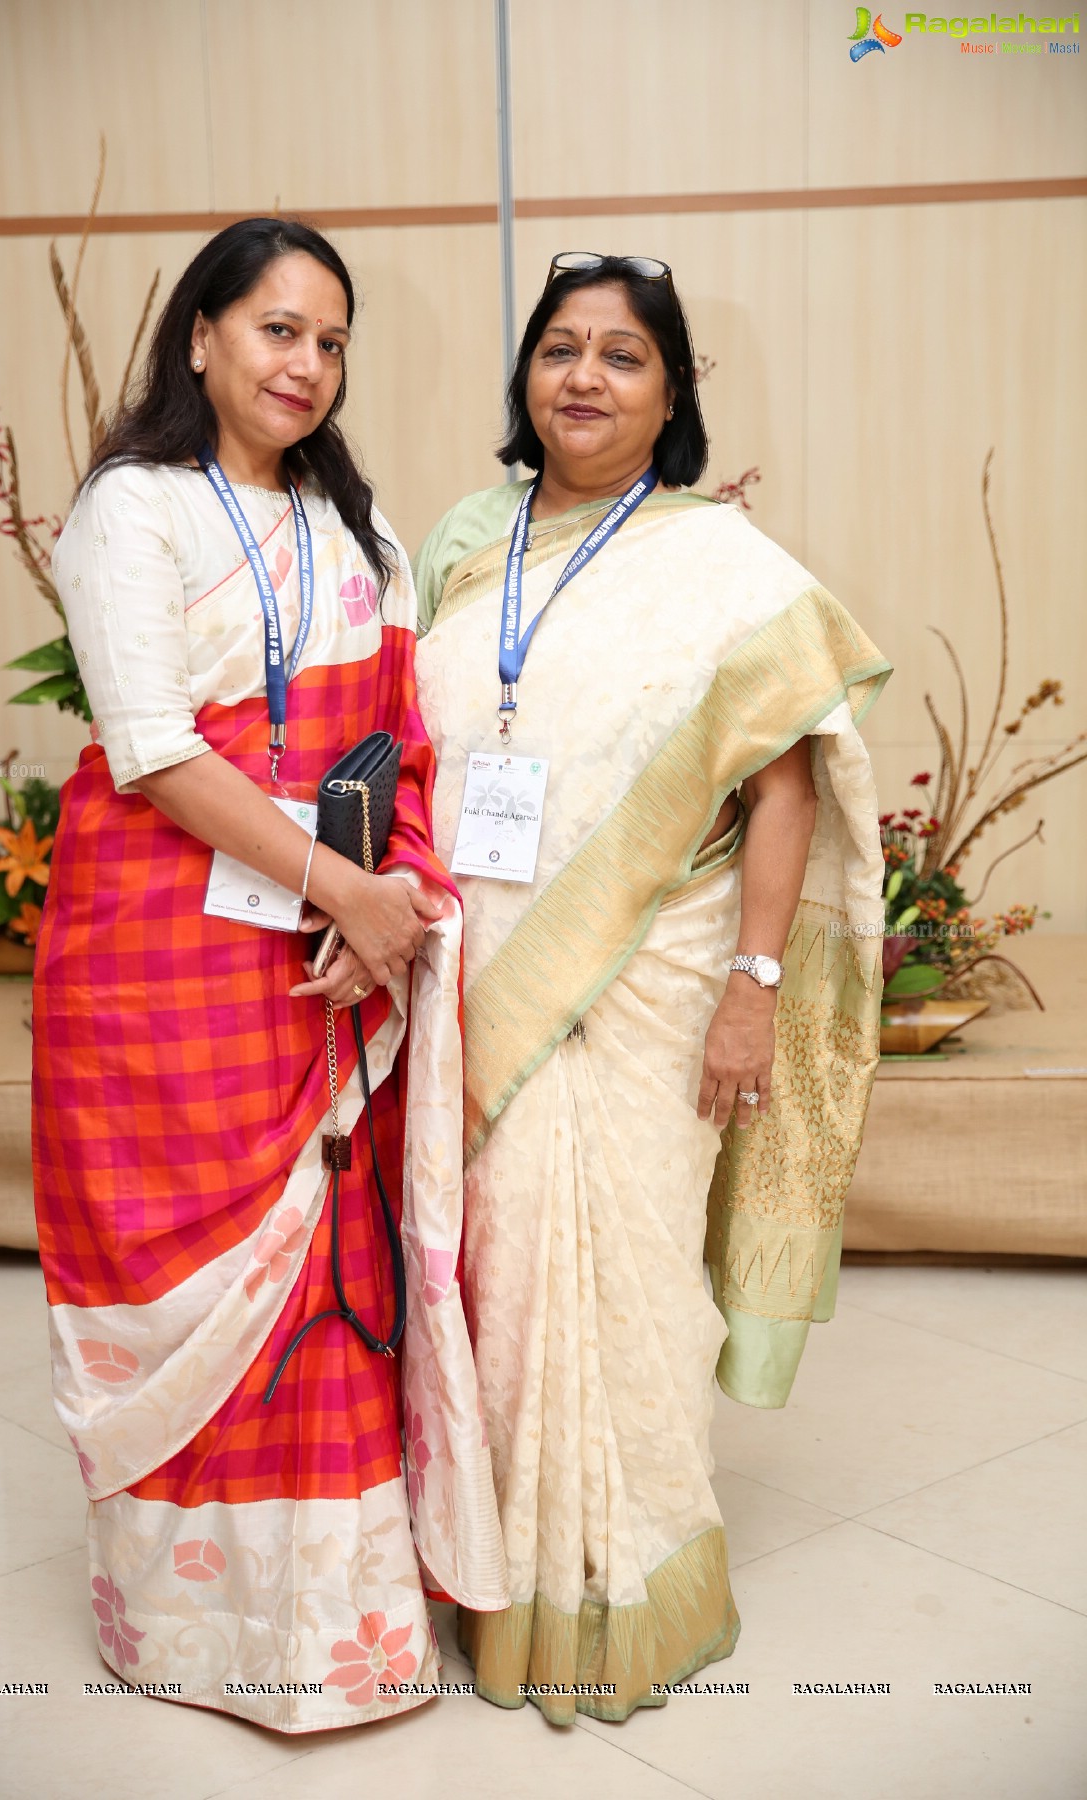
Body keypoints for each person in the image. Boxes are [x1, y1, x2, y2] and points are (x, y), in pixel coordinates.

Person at [33, 217, 506, 1733]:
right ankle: (197, 1631)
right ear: (201, 339)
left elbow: (399, 747)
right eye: (277, 329)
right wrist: (349, 890)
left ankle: (337, 1626)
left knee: (329, 1261)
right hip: (166, 966)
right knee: (200, 1263)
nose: (306, 364)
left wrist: (394, 896)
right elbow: (158, 752)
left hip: (323, 955)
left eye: (330, 340)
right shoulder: (135, 509)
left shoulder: (350, 530)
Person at [412, 252, 891, 1724]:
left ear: (672, 390)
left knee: (625, 1278)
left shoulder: (724, 563)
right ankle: (491, 1567)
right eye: (560, 348)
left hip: (659, 980)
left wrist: (753, 984)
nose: (585, 378)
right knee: (483, 1273)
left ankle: (628, 1582)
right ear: (525, 376)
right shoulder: (462, 542)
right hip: (471, 973)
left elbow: (789, 784)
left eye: (624, 355)